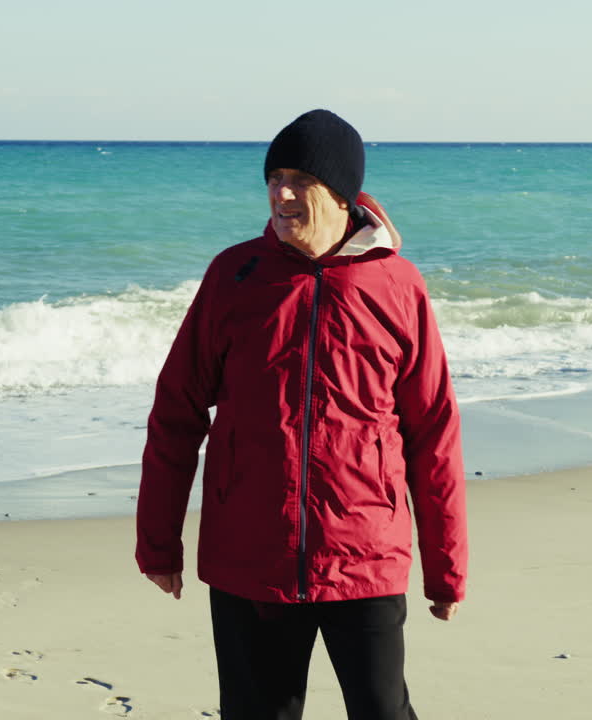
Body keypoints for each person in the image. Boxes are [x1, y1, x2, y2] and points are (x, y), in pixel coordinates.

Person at [136, 109, 467, 720]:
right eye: (274, 178)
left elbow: (432, 430)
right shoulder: (235, 275)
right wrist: (158, 543)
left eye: (300, 180)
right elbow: (177, 412)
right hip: (249, 553)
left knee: (384, 711)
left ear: (341, 194)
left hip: (364, 550)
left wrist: (446, 568)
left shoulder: (397, 285)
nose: (281, 194)